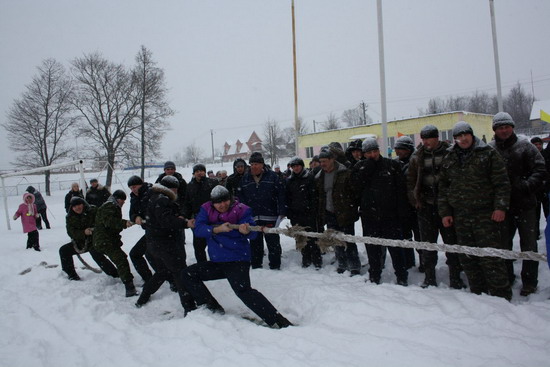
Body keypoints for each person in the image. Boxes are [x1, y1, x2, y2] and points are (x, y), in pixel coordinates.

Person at [180, 185, 293, 328]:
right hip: (217, 261)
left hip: (237, 260)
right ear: (212, 203)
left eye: (225, 201)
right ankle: (210, 308)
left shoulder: (242, 209)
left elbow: (253, 233)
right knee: (187, 274)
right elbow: (199, 229)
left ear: (230, 199)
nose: (222, 205)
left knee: (243, 291)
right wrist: (217, 229)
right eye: (218, 202)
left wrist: (246, 231)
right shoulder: (206, 209)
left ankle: (279, 321)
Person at [438, 121, 512, 300]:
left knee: (490, 256)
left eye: (465, 135)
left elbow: (502, 184)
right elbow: (443, 187)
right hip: (461, 216)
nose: (462, 140)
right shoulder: (449, 158)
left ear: (472, 135)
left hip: (485, 214)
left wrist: (500, 207)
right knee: (468, 256)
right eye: (458, 137)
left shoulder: (487, 154)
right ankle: (477, 294)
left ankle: (500, 296)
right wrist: (445, 212)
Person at [489, 112, 546, 296]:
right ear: (495, 130)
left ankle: (529, 281)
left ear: (512, 127)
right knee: (503, 244)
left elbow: (540, 169)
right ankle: (507, 276)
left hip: (525, 205)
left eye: (506, 127)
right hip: (502, 207)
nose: (503, 130)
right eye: (500, 127)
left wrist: (526, 186)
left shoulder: (525, 147)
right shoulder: (491, 150)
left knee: (528, 245)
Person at [407, 125, 465, 289]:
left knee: (451, 244)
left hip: (446, 207)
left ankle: (455, 277)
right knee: (427, 245)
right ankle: (429, 277)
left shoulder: (450, 153)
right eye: (423, 138)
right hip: (426, 207)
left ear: (436, 138)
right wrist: (415, 200)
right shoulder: (417, 157)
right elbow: (411, 181)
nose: (426, 142)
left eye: (429, 138)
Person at [135, 176, 196, 313]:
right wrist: (184, 223)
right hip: (165, 243)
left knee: (163, 272)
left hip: (154, 243)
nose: (176, 191)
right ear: (171, 188)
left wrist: (177, 217)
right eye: (175, 189)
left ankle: (143, 297)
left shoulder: (154, 196)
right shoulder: (162, 199)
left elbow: (160, 218)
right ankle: (189, 307)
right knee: (180, 273)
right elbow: (166, 220)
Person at [352, 138, 408, 285]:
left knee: (395, 248)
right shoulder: (359, 168)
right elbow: (355, 190)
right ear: (364, 154)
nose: (373, 155)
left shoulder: (392, 166)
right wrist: (367, 170)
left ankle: (402, 276)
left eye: (375, 151)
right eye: (369, 152)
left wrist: (401, 211)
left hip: (390, 215)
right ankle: (374, 275)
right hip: (369, 215)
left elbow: (401, 190)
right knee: (372, 248)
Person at [315, 147, 361, 275]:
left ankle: (354, 265)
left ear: (332, 160)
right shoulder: (319, 176)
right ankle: (342, 264)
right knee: (336, 240)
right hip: (329, 213)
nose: (322, 164)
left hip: (345, 213)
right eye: (321, 161)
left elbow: (354, 193)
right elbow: (320, 196)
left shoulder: (345, 172)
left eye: (325, 161)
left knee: (349, 240)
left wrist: (351, 208)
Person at [239, 152, 286, 270]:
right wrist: (244, 214)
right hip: (253, 217)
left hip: (270, 215)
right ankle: (256, 265)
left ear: (262, 165)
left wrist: (281, 211)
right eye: (252, 164)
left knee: (273, 242)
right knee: (255, 242)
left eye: (256, 164)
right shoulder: (245, 179)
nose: (254, 166)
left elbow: (281, 195)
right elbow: (241, 198)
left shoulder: (273, 177)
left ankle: (275, 266)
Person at [59, 197, 118, 281]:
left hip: (97, 239)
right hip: (81, 242)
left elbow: (102, 221)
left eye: (79, 205)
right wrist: (83, 232)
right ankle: (71, 275)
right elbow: (71, 232)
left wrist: (94, 230)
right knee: (64, 250)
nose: (77, 208)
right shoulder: (70, 217)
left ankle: (114, 274)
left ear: (83, 204)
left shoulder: (93, 211)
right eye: (74, 206)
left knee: (96, 253)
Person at [93, 190, 137, 297]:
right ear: (118, 199)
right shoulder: (110, 206)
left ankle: (117, 275)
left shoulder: (111, 206)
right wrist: (124, 223)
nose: (123, 203)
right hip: (105, 241)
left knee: (118, 258)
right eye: (123, 201)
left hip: (106, 240)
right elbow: (110, 221)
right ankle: (129, 287)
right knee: (121, 260)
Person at [285, 157, 322, 268]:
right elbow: (288, 197)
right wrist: (290, 212)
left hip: (309, 213)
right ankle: (305, 258)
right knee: (301, 237)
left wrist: (313, 210)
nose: (296, 168)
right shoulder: (290, 180)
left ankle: (317, 259)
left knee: (312, 236)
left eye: (297, 166)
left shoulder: (310, 178)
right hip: (296, 214)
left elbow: (314, 196)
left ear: (301, 166)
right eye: (293, 166)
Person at [393, 135, 420, 270]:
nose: (397, 152)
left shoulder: (416, 162)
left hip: (417, 207)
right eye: (396, 149)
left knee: (420, 238)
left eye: (400, 149)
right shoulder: (396, 163)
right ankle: (409, 262)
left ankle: (425, 264)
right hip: (402, 208)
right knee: (405, 237)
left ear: (408, 149)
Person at [184, 164, 219, 263]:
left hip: (213, 217)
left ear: (205, 172)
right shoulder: (190, 186)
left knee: (215, 242)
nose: (200, 173)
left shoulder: (213, 183)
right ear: (194, 174)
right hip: (198, 219)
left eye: (202, 171)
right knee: (199, 245)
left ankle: (218, 263)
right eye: (197, 171)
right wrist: (185, 216)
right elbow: (187, 203)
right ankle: (202, 265)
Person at [127, 175, 157, 283]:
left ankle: (170, 279)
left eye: (135, 186)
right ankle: (148, 279)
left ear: (141, 184)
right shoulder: (134, 197)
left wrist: (147, 218)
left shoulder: (152, 193)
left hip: (159, 230)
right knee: (136, 254)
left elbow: (158, 211)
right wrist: (136, 217)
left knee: (151, 255)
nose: (133, 190)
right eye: (131, 188)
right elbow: (132, 213)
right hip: (149, 231)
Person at [155, 160, 188, 249]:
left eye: (172, 169)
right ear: (164, 170)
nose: (170, 171)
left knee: (179, 230)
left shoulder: (181, 181)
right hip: (164, 208)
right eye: (168, 169)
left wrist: (182, 212)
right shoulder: (159, 181)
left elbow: (186, 197)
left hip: (178, 208)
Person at [530, 136, 550, 238]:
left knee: (548, 213)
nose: (538, 146)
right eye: (535, 144)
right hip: (535, 191)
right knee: (535, 215)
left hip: (546, 189)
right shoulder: (529, 156)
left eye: (539, 144)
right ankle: (535, 233)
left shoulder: (546, 154)